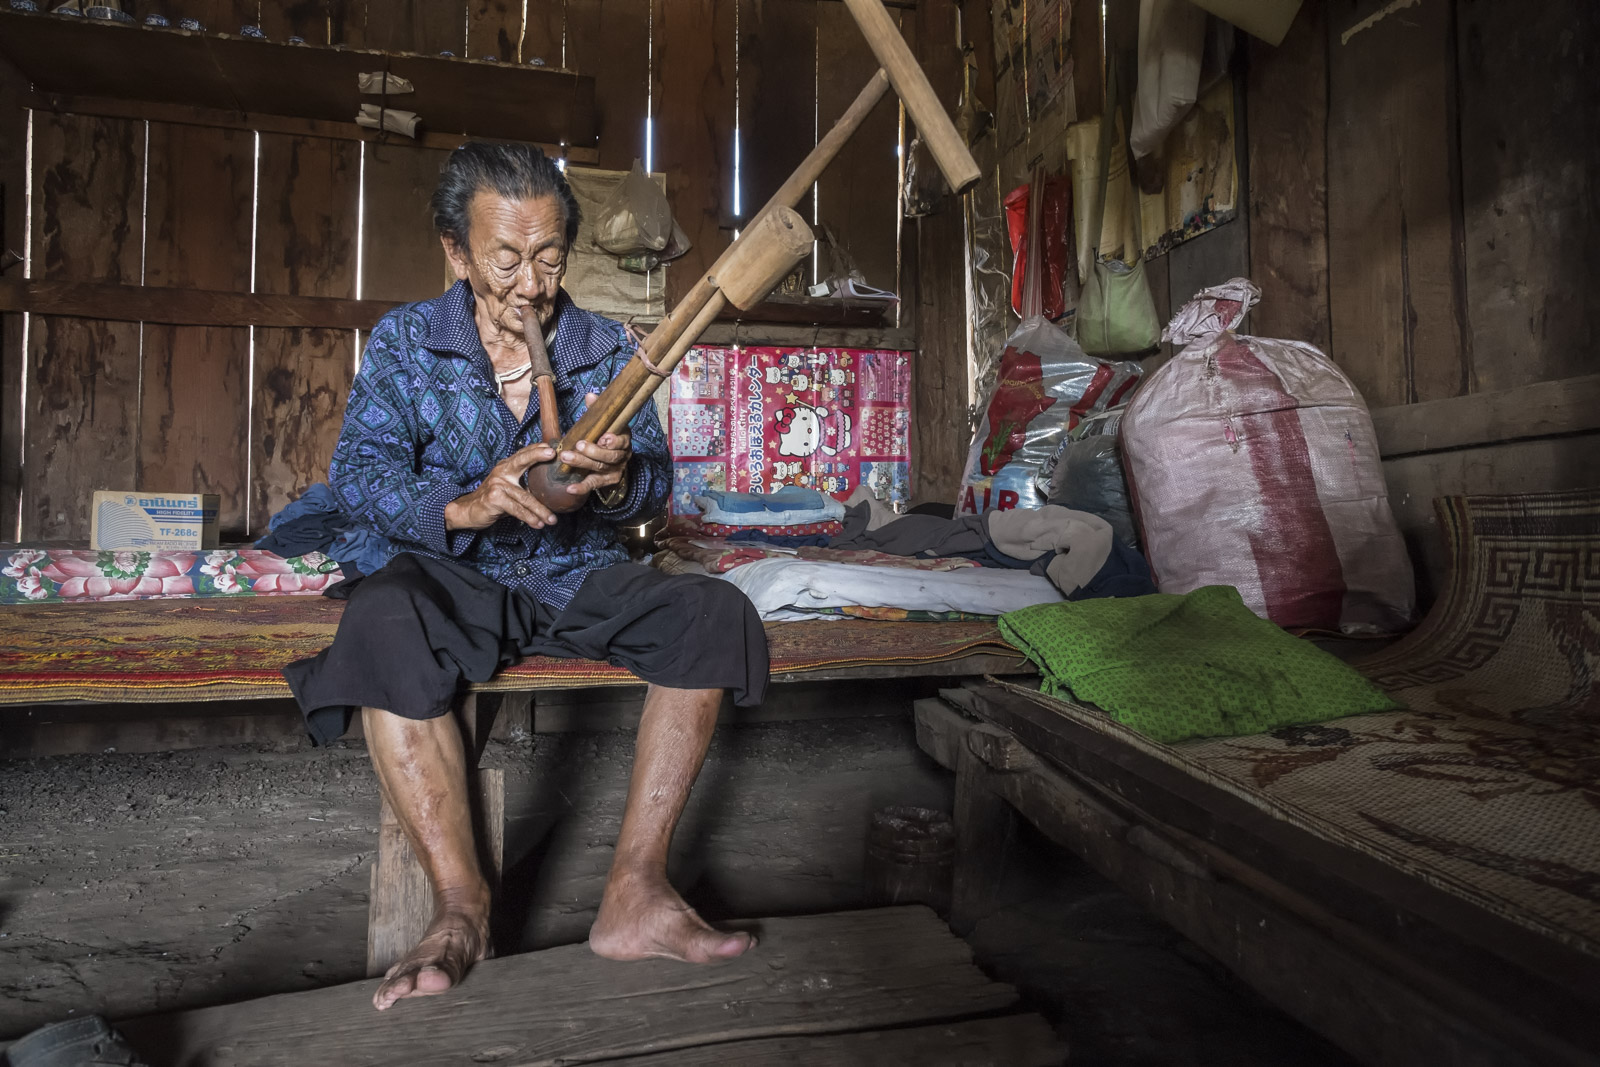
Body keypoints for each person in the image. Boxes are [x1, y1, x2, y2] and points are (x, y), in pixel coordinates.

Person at [283, 143, 768, 1012]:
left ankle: (636, 890)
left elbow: (655, 487)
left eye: (549, 256)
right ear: (457, 252)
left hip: (574, 569)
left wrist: (618, 480)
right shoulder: (408, 341)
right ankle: (461, 907)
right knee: (383, 617)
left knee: (712, 612)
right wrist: (465, 504)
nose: (531, 284)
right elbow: (357, 474)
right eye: (505, 259)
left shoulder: (603, 346)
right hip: (455, 570)